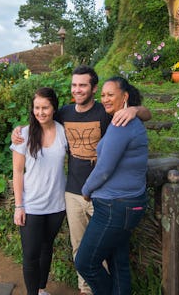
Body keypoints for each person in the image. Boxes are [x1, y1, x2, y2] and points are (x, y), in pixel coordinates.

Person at [12, 65, 150, 295]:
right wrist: (18, 131)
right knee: (80, 250)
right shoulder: (64, 114)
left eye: (83, 85)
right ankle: (85, 291)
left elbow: (147, 114)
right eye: (74, 85)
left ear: (93, 88)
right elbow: (40, 117)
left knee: (101, 254)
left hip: (102, 194)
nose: (78, 89)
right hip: (74, 192)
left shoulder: (107, 112)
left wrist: (135, 109)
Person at [75, 76, 148, 295]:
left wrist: (86, 190)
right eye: (103, 95)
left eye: (110, 94)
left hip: (114, 207)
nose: (105, 99)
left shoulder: (120, 125)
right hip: (126, 204)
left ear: (124, 97)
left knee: (85, 262)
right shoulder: (128, 120)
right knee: (118, 263)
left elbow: (104, 168)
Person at [10, 87, 68, 295]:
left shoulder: (63, 131)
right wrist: (19, 206)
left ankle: (41, 289)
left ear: (54, 108)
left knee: (46, 248)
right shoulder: (23, 135)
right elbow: (17, 172)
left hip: (57, 204)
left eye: (45, 107)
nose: (40, 112)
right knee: (31, 255)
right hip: (31, 204)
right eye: (36, 108)